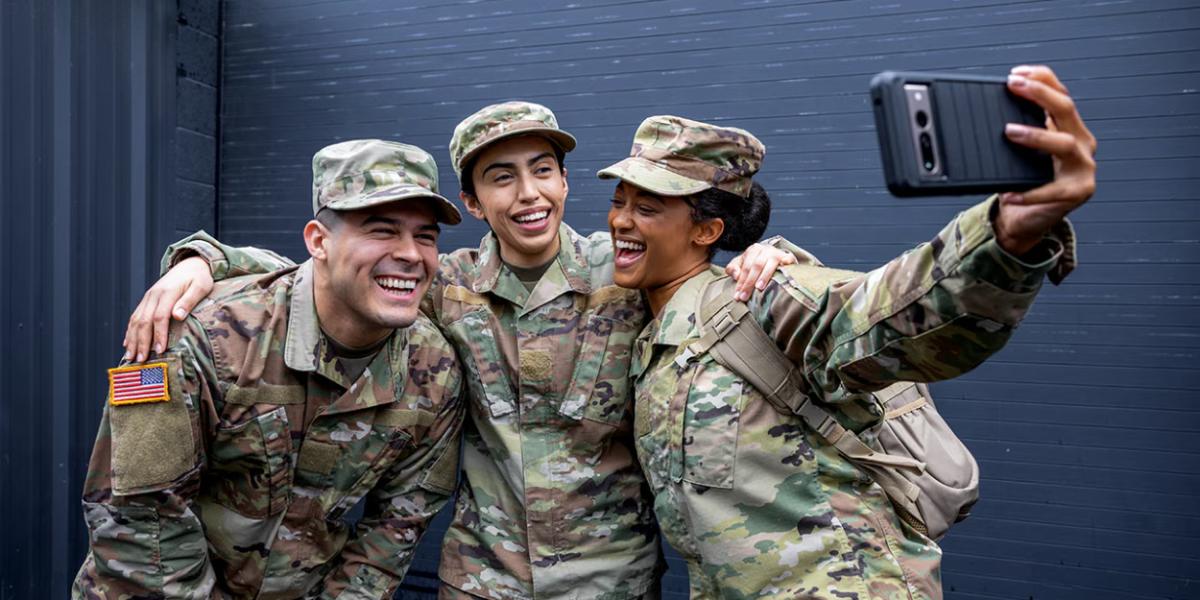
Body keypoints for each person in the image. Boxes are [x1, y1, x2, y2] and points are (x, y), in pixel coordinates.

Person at [120, 102, 799, 599]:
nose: (528, 193)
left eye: (543, 171)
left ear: (565, 183)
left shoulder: (623, 276)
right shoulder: (444, 283)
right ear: (473, 203)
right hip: (482, 580)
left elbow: (704, 273)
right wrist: (204, 257)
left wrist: (774, 256)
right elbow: (330, 273)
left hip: (609, 579)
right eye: (501, 177)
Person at [596, 64, 1095, 598]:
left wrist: (1006, 236)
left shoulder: (765, 297)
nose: (622, 221)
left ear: (707, 230)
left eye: (647, 208)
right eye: (619, 201)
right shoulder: (649, 333)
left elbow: (888, 316)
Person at [72, 140, 467, 599]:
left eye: (426, 235)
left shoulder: (435, 371)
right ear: (319, 241)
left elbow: (392, 534)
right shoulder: (197, 337)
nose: (411, 254)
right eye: (381, 230)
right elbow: (137, 519)